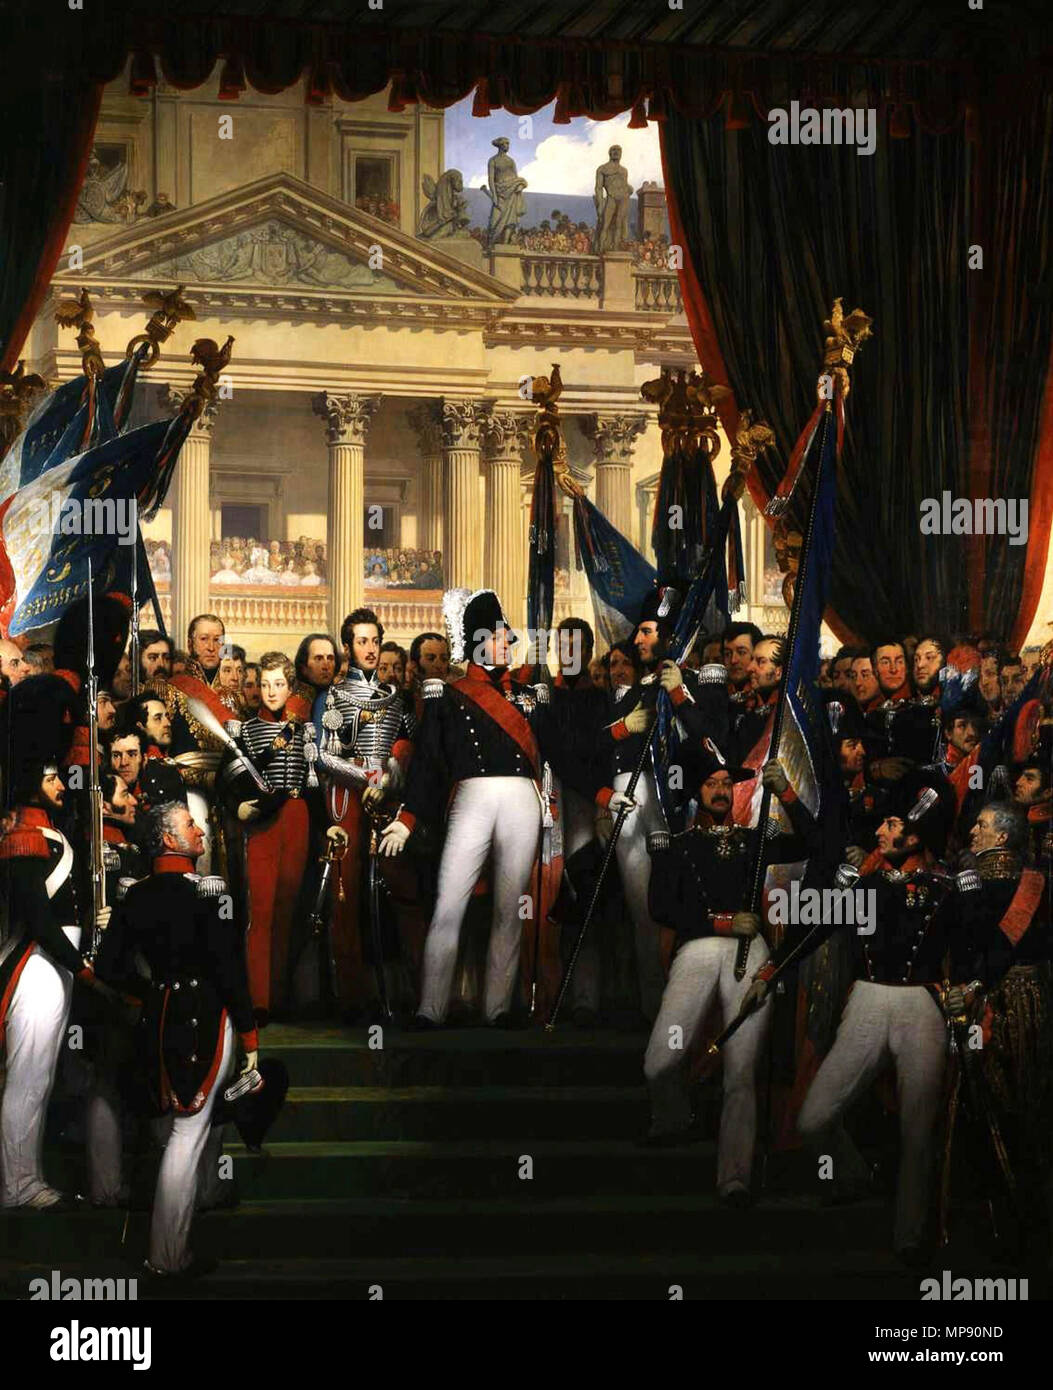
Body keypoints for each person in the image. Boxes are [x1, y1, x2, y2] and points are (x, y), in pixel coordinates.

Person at [741, 770, 958, 1262]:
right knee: (815, 1116)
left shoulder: (948, 886)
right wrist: (769, 973)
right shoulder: (868, 883)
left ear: (916, 832)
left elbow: (970, 950)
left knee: (918, 1130)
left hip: (924, 1002)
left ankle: (909, 1238)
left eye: (890, 823)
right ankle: (854, 1176)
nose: (879, 832)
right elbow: (814, 929)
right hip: (867, 999)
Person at [381, 588, 572, 1026]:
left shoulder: (529, 695)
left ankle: (499, 1008)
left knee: (510, 908)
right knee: (450, 902)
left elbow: (561, 753)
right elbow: (429, 765)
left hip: (523, 798)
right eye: (503, 636)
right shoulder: (447, 697)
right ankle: (430, 1008)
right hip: (470, 798)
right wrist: (407, 820)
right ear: (481, 640)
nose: (511, 643)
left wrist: (601, 794)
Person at [642, 751, 820, 1206]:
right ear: (696, 792)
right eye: (711, 784)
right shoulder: (675, 845)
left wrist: (787, 794)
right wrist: (721, 924)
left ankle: (734, 1178)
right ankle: (674, 1120)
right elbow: (661, 908)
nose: (722, 791)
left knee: (741, 1071)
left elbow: (816, 844)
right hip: (699, 947)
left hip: (750, 954)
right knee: (660, 1060)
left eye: (727, 783)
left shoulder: (755, 839)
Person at [96, 801, 259, 1278]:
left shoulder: (136, 895)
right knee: (188, 1134)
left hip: (158, 1016)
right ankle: (167, 1257)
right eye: (191, 825)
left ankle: (193, 1214)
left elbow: (108, 967)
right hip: (206, 1018)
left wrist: (148, 992)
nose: (201, 830)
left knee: (178, 1129)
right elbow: (231, 974)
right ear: (169, 839)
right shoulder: (209, 893)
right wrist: (250, 1036)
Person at [0, 760, 109, 1208]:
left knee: (39, 1076)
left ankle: (25, 1177)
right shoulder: (22, 835)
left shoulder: (44, 831)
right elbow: (39, 920)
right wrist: (80, 967)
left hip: (54, 963)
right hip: (38, 964)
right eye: (49, 778)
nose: (61, 786)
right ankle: (17, 1184)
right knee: (28, 1076)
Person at [306, 609, 418, 1018]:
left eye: (374, 641)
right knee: (346, 894)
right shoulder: (333, 697)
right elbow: (322, 757)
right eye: (361, 642)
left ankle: (413, 991)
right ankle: (352, 996)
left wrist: (387, 779)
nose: (370, 650)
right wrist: (366, 777)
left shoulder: (396, 698)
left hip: (388, 799)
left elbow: (408, 751)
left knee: (403, 889)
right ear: (348, 647)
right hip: (347, 800)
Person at [228, 652, 309, 1020]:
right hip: (263, 820)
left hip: (298, 816)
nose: (271, 691)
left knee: (288, 910)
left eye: (278, 684)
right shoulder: (244, 730)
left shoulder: (305, 729)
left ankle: (280, 997)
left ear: (290, 687)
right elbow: (232, 782)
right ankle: (258, 1001)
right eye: (264, 684)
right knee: (259, 911)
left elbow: (312, 781)